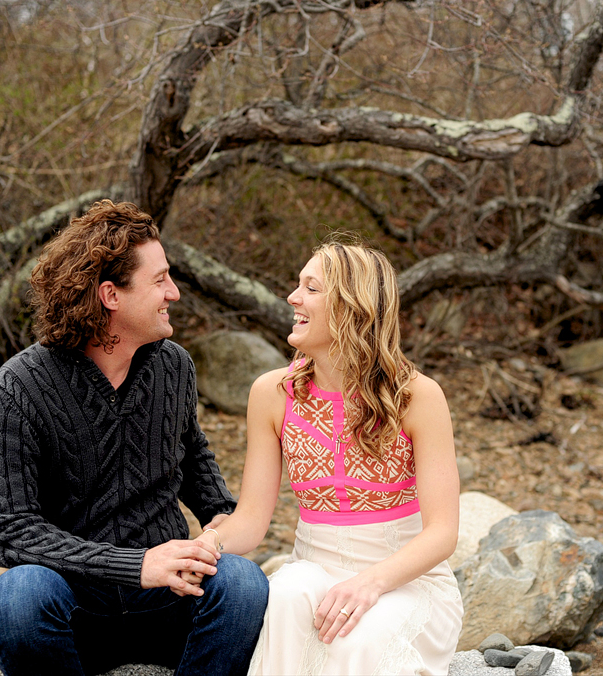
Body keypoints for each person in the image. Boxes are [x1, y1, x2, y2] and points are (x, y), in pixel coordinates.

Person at [0, 200, 268, 676]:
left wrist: (213, 537)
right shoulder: (17, 389)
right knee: (18, 597)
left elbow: (204, 481)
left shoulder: (174, 367)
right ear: (111, 294)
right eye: (159, 280)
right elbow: (5, 530)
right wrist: (134, 565)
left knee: (243, 583)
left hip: (170, 605)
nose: (173, 292)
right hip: (74, 613)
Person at [193, 238, 463, 675]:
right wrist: (206, 545)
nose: (292, 298)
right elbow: (251, 519)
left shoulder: (417, 396)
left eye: (311, 288)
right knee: (285, 594)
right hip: (313, 567)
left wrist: (370, 583)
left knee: (361, 641)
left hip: (407, 581)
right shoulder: (272, 393)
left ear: (352, 306)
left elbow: (443, 532)